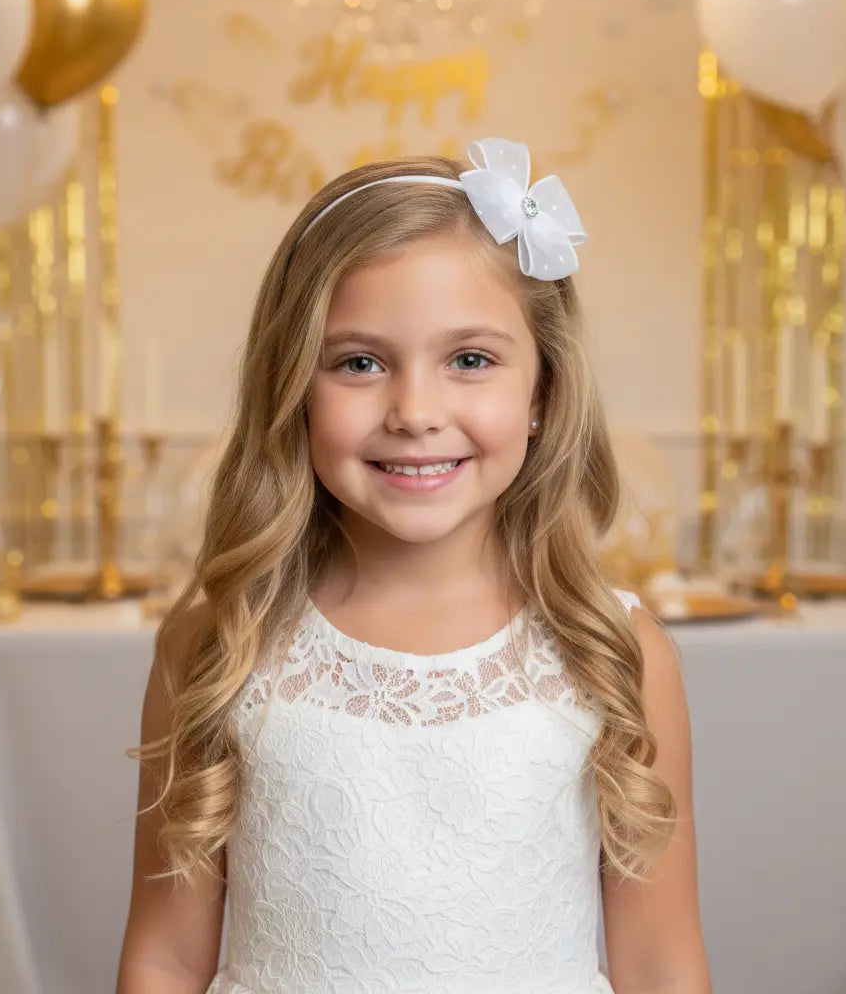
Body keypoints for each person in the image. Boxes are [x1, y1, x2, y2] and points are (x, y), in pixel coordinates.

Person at [116, 137, 711, 994]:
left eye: (470, 360)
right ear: (292, 387)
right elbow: (166, 956)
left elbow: (662, 963)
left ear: (542, 392)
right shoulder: (219, 642)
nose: (417, 412)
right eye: (360, 363)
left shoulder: (618, 654)